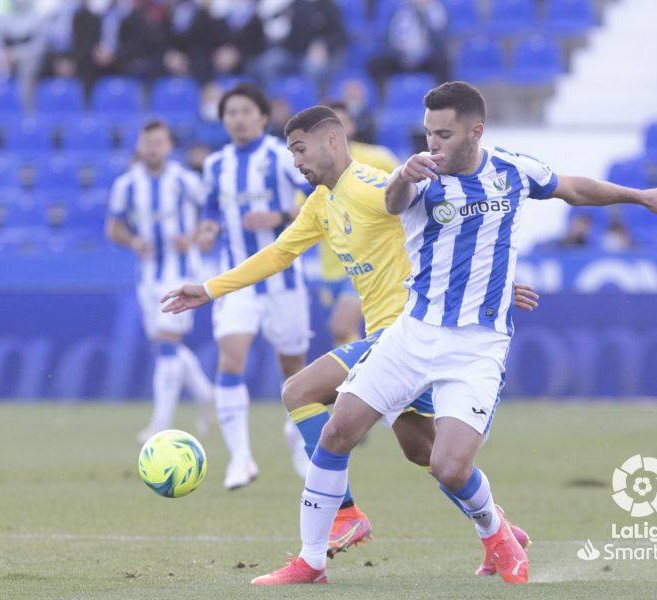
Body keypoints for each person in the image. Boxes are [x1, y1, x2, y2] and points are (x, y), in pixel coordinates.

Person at [242, 81, 657, 585]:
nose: (433, 144)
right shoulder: (420, 178)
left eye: (445, 134)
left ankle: (497, 533)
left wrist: (638, 196)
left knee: (447, 466)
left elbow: (572, 188)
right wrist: (403, 176)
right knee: (337, 429)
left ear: (475, 131)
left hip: (477, 346)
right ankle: (311, 561)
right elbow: (392, 202)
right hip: (412, 333)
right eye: (428, 133)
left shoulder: (512, 170)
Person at [162, 104, 538, 561]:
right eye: (291, 153)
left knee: (300, 391)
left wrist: (489, 279)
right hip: (389, 334)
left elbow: (442, 219)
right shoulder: (320, 203)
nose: (296, 161)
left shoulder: (371, 186)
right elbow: (278, 254)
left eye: (300, 149)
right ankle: (498, 527)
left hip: (409, 332)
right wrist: (208, 288)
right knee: (424, 452)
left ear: (332, 141)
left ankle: (344, 513)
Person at [194, 83, 313, 490]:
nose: (238, 119)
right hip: (237, 281)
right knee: (231, 360)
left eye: (246, 111)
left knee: (293, 370)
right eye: (231, 112)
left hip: (284, 279)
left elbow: (315, 199)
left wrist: (279, 215)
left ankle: (297, 440)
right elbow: (211, 208)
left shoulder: (282, 160)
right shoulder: (215, 165)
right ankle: (240, 458)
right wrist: (208, 230)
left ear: (263, 117)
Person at [105, 120, 213, 445]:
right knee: (167, 345)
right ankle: (208, 396)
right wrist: (133, 241)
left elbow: (213, 215)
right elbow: (113, 227)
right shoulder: (127, 185)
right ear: (140, 145)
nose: (153, 148)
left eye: (159, 142)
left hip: (183, 275)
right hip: (149, 277)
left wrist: (195, 237)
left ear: (169, 146)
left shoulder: (186, 181)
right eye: (148, 142)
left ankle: (160, 423)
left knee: (167, 345)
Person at [318, 101, 398, 347]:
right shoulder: (312, 168)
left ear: (351, 127)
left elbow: (408, 195)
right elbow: (303, 211)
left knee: (341, 326)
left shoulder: (379, 158)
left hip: (374, 263)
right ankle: (358, 382)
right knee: (342, 336)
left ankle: (365, 380)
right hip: (334, 264)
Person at [368, 0, 450, 87]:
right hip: (398, 55)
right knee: (376, 64)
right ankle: (384, 96)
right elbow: (391, 33)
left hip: (424, 56)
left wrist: (426, 8)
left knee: (442, 63)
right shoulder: (399, 8)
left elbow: (439, 26)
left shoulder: (432, 6)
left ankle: (441, 95)